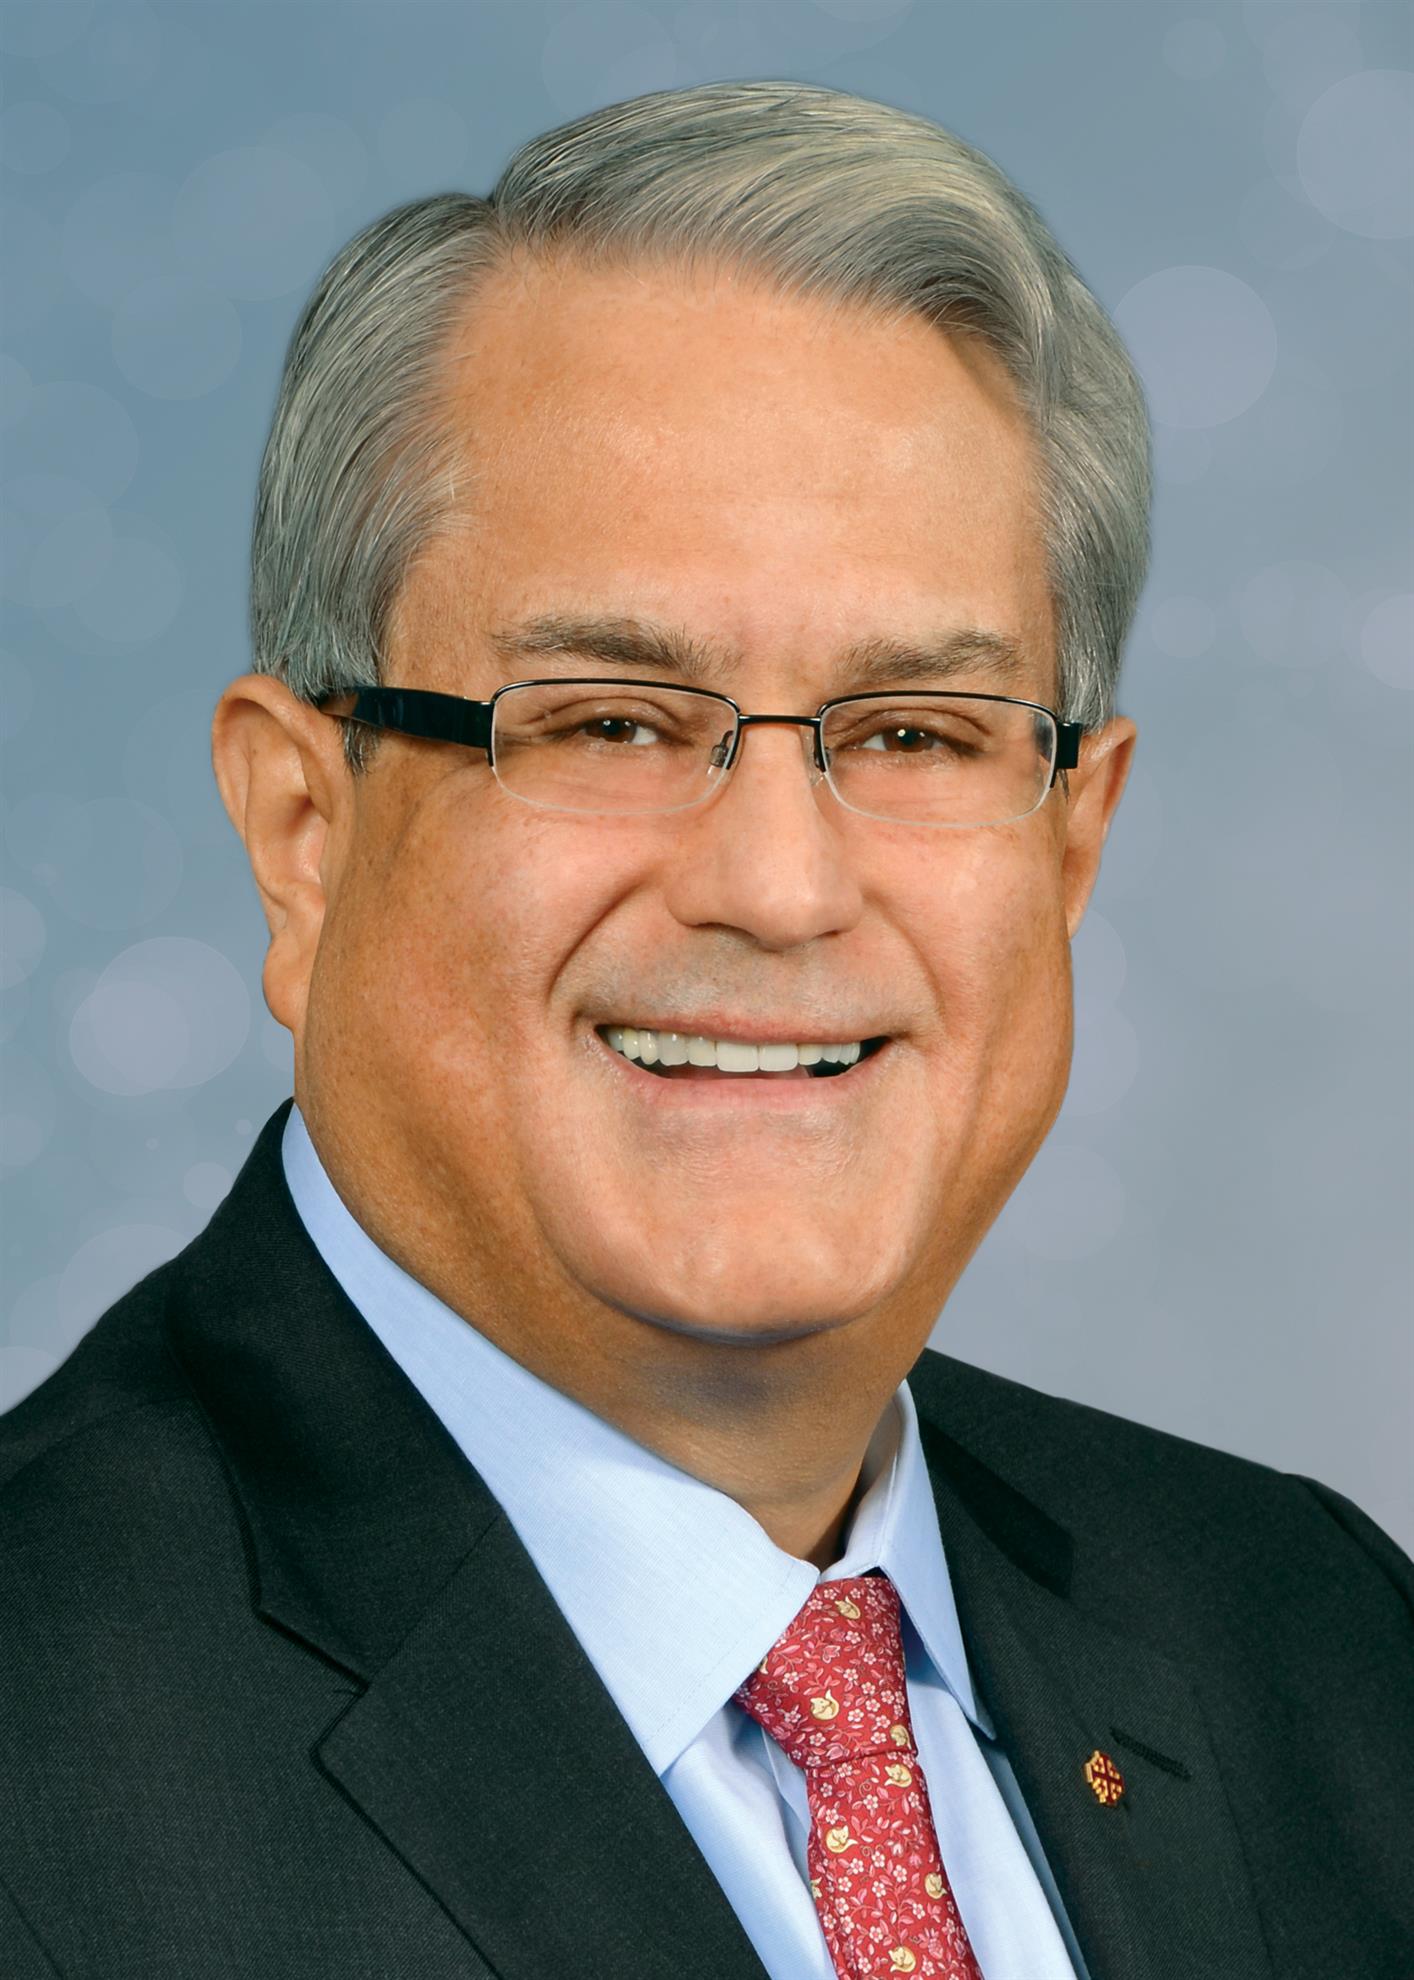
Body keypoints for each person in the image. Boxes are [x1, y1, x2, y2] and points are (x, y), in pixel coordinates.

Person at [2, 79, 1410, 1980]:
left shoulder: (1324, 1644)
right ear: (303, 832)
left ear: (1069, 845)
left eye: (913, 734)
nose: (778, 884)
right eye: (609, 720)